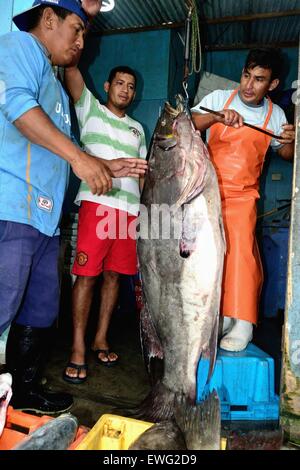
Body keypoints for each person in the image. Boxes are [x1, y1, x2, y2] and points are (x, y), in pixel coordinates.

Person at [0, 0, 147, 413]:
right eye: (77, 29)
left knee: (40, 308)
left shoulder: (53, 83)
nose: (81, 42)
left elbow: (64, 149)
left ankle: (24, 393)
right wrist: (83, 160)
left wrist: (102, 163)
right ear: (49, 20)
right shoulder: (19, 47)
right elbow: (16, 107)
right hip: (13, 207)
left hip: (47, 220)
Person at [192, 48, 295, 352]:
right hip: (206, 192)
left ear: (273, 85)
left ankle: (244, 322)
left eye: (259, 79)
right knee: (210, 257)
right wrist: (214, 117)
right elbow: (188, 125)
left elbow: (285, 154)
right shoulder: (218, 98)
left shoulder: (274, 114)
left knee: (240, 253)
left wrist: (292, 141)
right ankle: (223, 313)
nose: (248, 85)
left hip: (244, 195)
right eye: (246, 75)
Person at [62, 60, 147, 383]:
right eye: (120, 83)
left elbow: (141, 178)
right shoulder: (90, 109)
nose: (125, 89)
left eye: (131, 85)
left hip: (129, 213)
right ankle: (78, 346)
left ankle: (100, 337)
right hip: (97, 206)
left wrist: (146, 213)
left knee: (114, 278)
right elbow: (71, 72)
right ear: (108, 86)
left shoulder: (138, 129)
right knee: (86, 276)